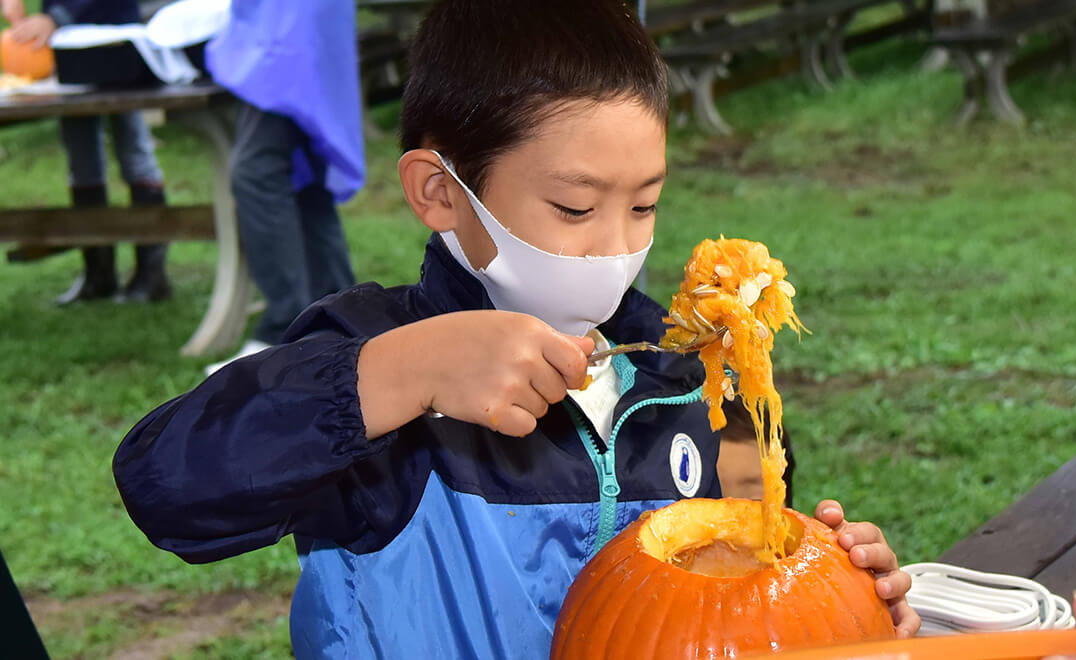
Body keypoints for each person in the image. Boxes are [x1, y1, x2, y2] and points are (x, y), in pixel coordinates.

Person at [113, 1, 920, 657]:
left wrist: (834, 597)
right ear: (440, 192)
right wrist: (401, 374)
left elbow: (753, 557)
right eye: (574, 207)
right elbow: (167, 489)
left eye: (644, 203)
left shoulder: (704, 378)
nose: (616, 247)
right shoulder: (370, 353)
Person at [200, 0, 363, 375]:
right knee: (303, 170)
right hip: (281, 19)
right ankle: (339, 319)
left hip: (290, 21)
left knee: (257, 170)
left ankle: (286, 329)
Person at [2, 0, 172, 304]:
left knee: (133, 150)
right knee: (82, 160)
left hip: (116, 40)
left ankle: (152, 275)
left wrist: (56, 17)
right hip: (68, 49)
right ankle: (98, 274)